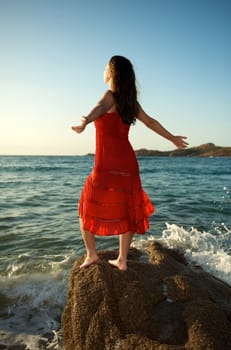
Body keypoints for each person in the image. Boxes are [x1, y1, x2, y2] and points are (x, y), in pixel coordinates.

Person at [72, 55, 188, 270]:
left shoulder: (109, 96)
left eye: (105, 67)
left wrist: (85, 121)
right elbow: (151, 122)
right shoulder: (130, 102)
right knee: (129, 207)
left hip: (106, 164)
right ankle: (122, 260)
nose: (103, 70)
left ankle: (92, 254)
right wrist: (171, 138)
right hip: (127, 162)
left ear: (112, 73)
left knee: (86, 206)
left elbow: (99, 107)